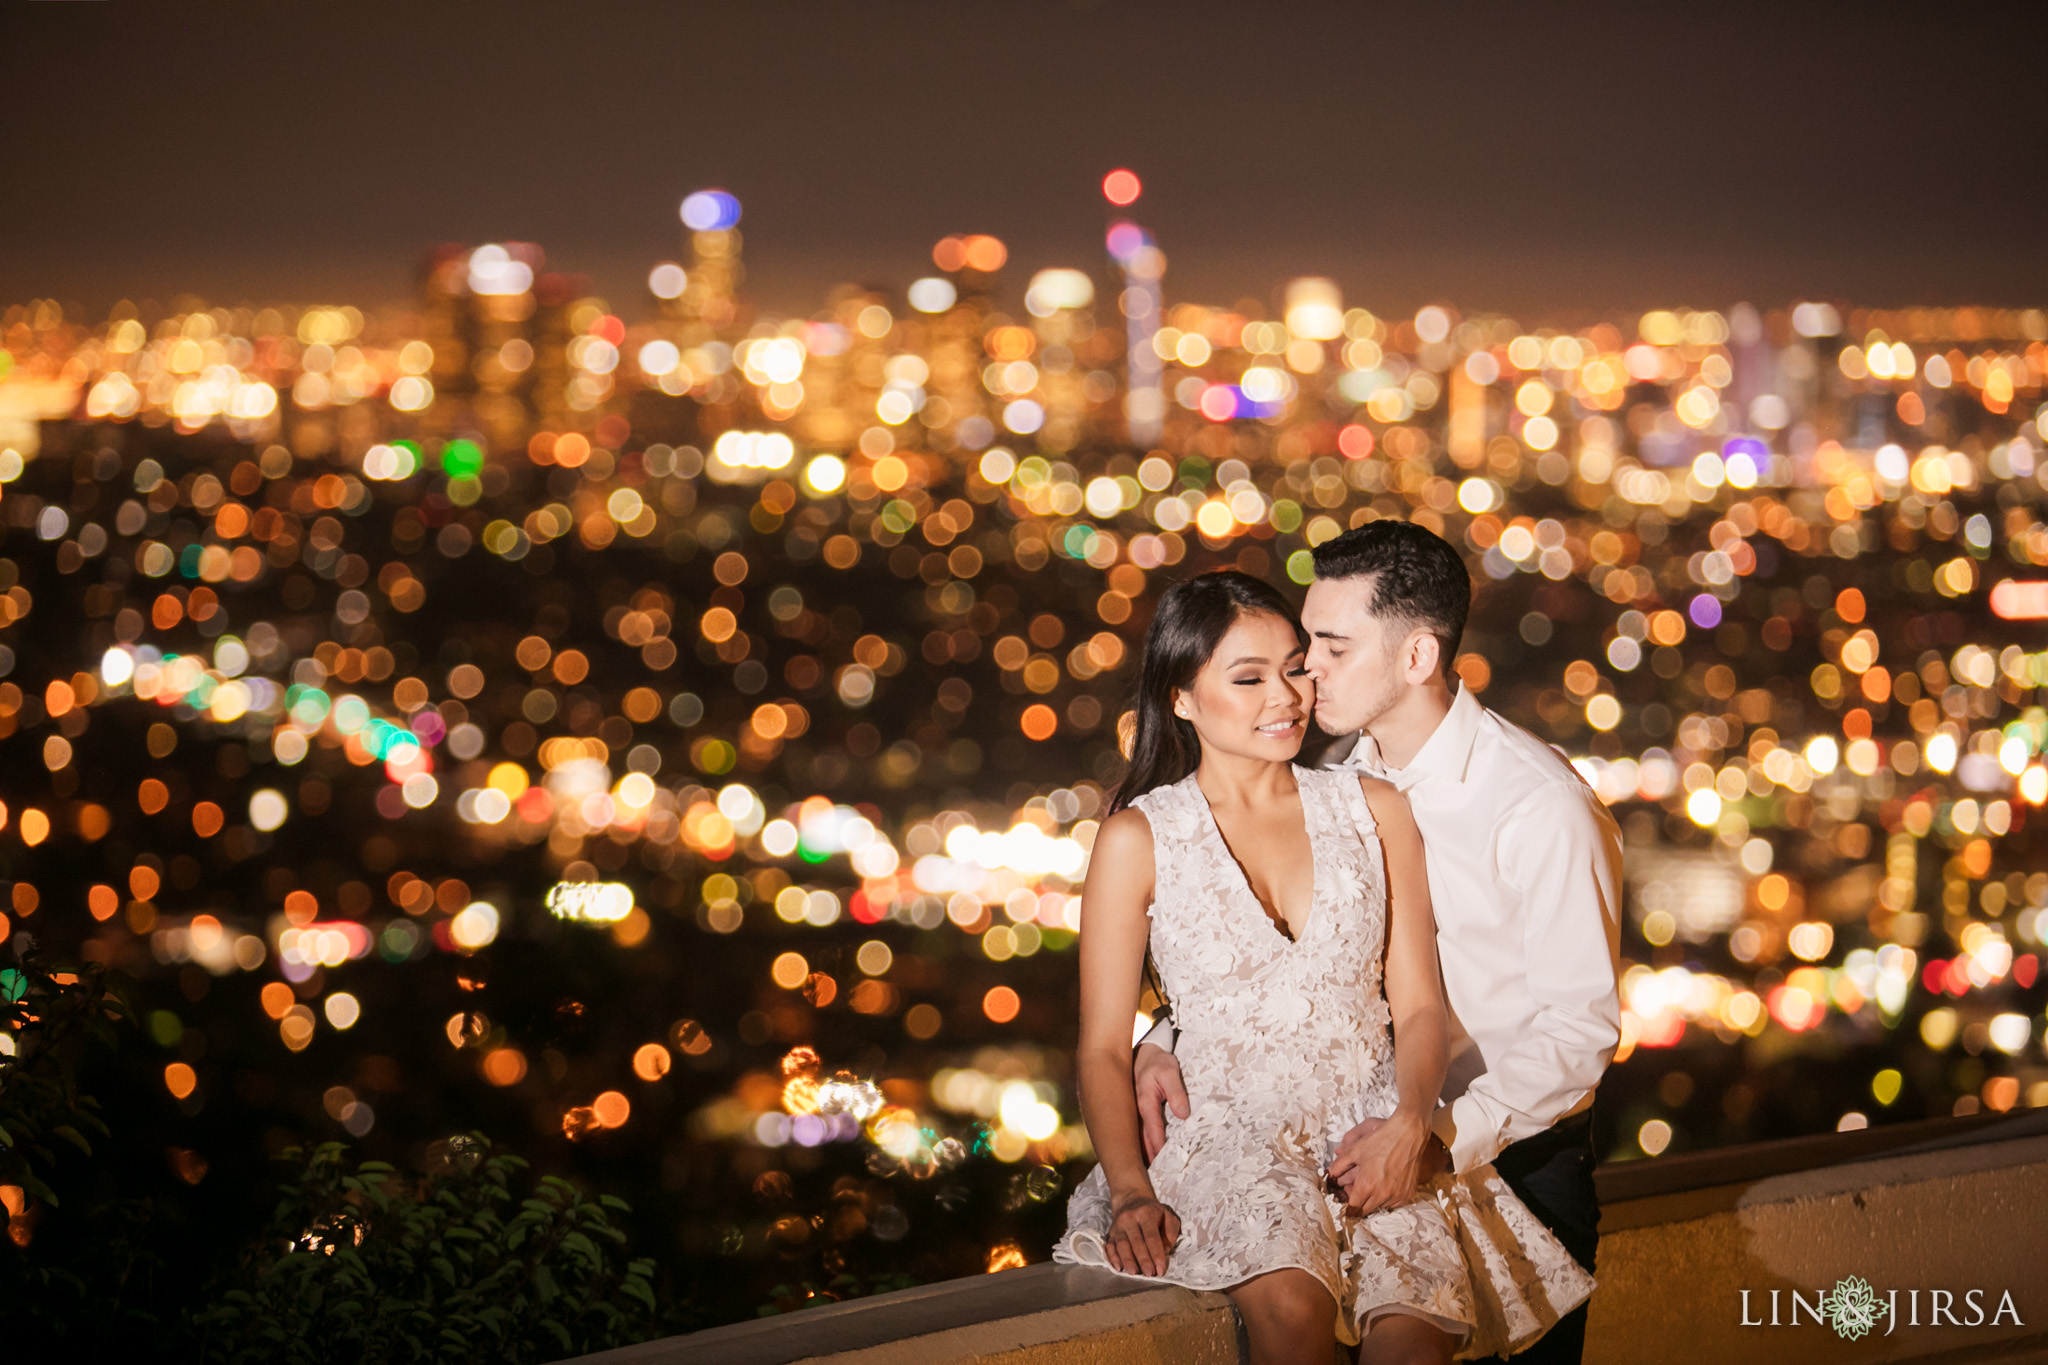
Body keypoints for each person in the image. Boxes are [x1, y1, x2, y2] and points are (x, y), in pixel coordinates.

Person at [1054, 569, 1593, 1365]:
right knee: (1291, 1308)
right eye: (1249, 677)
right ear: (1179, 697)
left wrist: (1412, 1120)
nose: (1288, 695)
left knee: (1416, 1337)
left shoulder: (1372, 805)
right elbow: (1102, 1043)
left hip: (1369, 1125)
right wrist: (1132, 1187)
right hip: (1228, 1134)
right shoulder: (1139, 837)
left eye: (1295, 666)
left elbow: (1418, 1005)